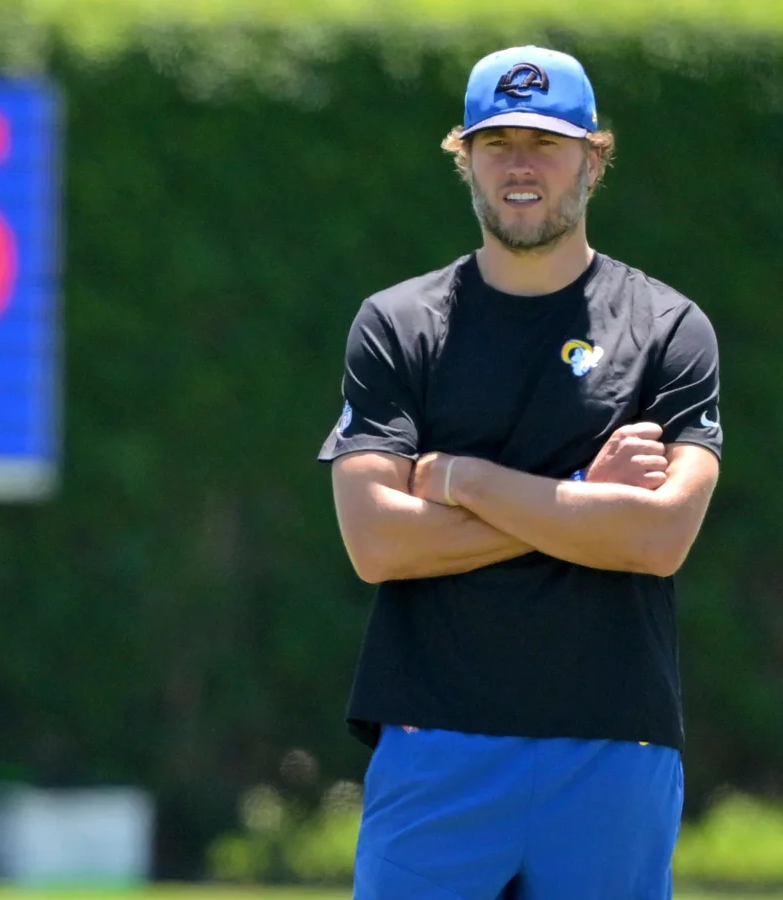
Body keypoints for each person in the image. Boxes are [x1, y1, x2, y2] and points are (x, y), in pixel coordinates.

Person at [318, 46, 723, 899]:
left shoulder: (668, 327)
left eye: (546, 142)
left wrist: (461, 479)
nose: (519, 165)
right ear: (464, 160)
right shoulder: (396, 324)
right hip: (434, 741)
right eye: (496, 143)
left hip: (612, 744)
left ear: (593, 160)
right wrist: (587, 503)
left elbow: (656, 538)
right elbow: (377, 543)